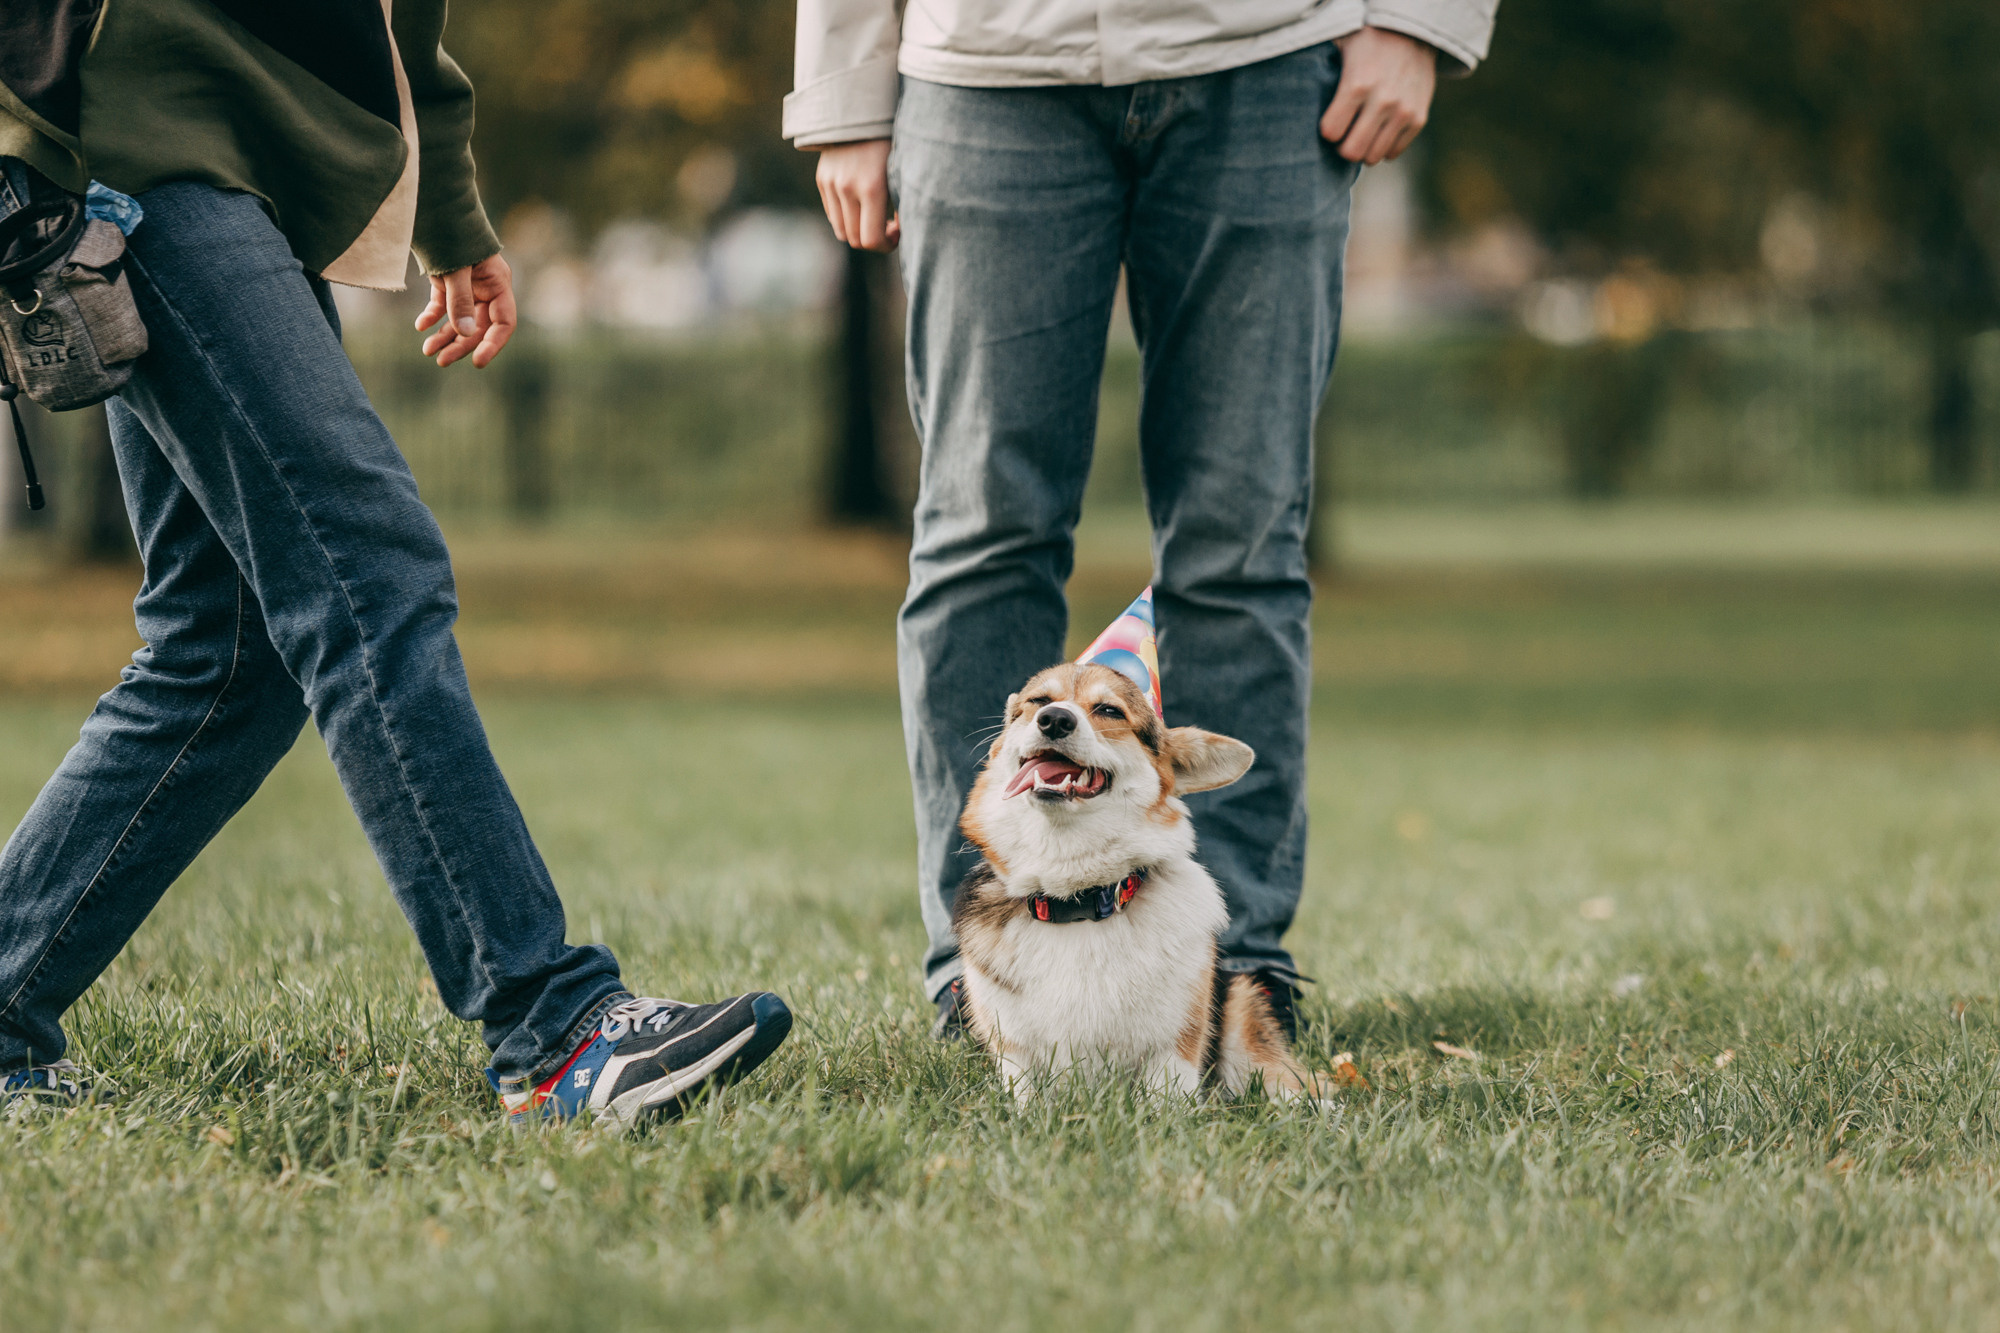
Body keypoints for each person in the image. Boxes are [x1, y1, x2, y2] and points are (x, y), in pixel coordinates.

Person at [0, 2, 792, 1126]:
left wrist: (453, 213)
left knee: (224, 653)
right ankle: (551, 1027)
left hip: (239, 169)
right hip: (133, 149)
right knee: (367, 571)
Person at [787, 0, 1500, 1038]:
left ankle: (1237, 963)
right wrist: (845, 90)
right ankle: (980, 968)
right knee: (979, 535)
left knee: (1240, 541)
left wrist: (1415, 22)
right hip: (986, 73)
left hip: (1261, 58)